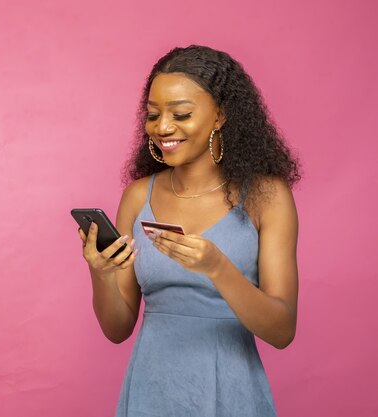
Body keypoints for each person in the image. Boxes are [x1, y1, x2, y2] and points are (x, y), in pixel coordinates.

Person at [77, 45, 300, 417]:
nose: (163, 126)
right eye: (153, 114)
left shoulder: (267, 197)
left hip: (230, 389)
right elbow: (118, 329)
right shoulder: (137, 196)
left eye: (181, 114)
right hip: (152, 388)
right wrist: (100, 273)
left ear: (220, 116)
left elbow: (282, 331)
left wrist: (217, 267)